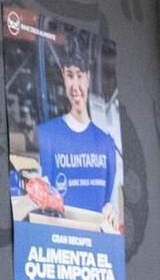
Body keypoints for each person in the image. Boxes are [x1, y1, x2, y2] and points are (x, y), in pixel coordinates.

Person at [27, 37, 123, 233]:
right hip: (59, 241)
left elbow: (113, 207)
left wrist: (112, 215)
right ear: (63, 76)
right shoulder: (47, 135)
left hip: (98, 246)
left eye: (80, 75)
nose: (75, 85)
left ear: (88, 78)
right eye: (70, 75)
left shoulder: (106, 143)